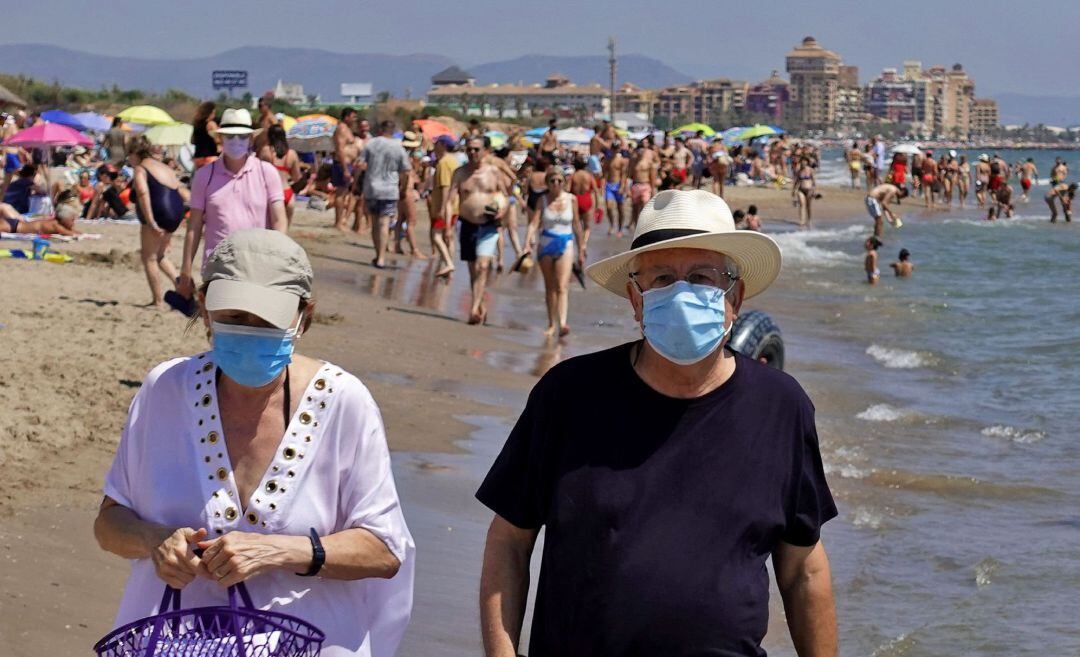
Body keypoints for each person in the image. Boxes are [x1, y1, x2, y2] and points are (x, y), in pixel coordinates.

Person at [477, 189, 837, 657]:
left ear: (736, 298)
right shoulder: (568, 396)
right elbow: (509, 542)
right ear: (635, 297)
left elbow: (803, 568)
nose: (682, 293)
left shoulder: (781, 407)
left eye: (703, 277)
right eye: (663, 278)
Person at [94, 229, 414, 657]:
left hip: (314, 644)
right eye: (235, 317)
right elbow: (109, 523)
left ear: (304, 316)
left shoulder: (344, 402)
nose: (250, 331)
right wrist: (156, 540)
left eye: (267, 320)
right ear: (206, 311)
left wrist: (283, 551)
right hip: (173, 644)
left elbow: (385, 550)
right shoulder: (164, 390)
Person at [178, 108, 287, 299]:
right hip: (218, 268)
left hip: (258, 267)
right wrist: (186, 270)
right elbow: (194, 225)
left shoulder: (266, 172)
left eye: (241, 136)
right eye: (230, 136)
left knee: (251, 326)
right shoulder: (205, 176)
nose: (236, 141)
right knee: (217, 326)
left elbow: (279, 220)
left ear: (251, 139)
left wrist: (276, 260)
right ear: (220, 139)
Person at [444, 136, 509, 325]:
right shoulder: (460, 173)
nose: (472, 153)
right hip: (467, 224)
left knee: (483, 266)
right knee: (473, 269)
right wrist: (448, 226)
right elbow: (449, 202)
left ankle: (473, 308)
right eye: (469, 149)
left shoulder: (494, 173)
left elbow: (505, 197)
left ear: (485, 151)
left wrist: (501, 211)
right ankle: (480, 306)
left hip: (488, 225)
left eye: (476, 149)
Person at [129, 136, 190, 309]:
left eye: (129, 155)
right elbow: (179, 190)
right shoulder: (163, 166)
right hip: (175, 213)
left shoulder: (141, 168)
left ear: (135, 153)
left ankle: (158, 301)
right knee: (160, 255)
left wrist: (151, 222)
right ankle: (181, 287)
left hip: (159, 213)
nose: (129, 160)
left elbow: (142, 193)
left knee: (148, 257)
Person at [536, 168, 586, 337]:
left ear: (564, 182)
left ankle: (563, 323)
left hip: (566, 242)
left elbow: (577, 225)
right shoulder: (542, 200)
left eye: (559, 180)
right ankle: (551, 324)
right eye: (552, 181)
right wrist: (527, 243)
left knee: (562, 286)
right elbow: (534, 224)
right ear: (547, 183)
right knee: (550, 287)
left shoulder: (572, 199)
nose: (556, 184)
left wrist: (582, 248)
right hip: (546, 244)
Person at [361, 120, 410, 269]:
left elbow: (361, 164)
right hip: (390, 189)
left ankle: (378, 255)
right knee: (384, 223)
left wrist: (357, 183)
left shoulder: (371, 143)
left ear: (381, 129)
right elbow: (406, 171)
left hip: (372, 187)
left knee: (375, 223)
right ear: (393, 130)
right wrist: (404, 188)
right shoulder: (398, 147)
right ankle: (382, 257)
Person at [258, 125, 303, 225]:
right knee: (284, 231)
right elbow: (297, 178)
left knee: (269, 229)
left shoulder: (265, 151)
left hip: (271, 193)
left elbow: (258, 174)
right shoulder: (292, 154)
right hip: (287, 192)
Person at [428, 135, 459, 277]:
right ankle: (448, 266)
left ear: (442, 145)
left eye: (436, 143)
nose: (434, 146)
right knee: (449, 237)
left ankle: (448, 263)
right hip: (454, 206)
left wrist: (442, 208)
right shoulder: (454, 161)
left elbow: (446, 187)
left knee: (436, 236)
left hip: (445, 206)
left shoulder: (444, 163)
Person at [1, 190, 81, 235]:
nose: (73, 222)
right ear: (63, 217)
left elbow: (71, 230)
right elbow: (69, 233)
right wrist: (81, 234)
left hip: (15, 225)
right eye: (72, 219)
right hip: (14, 227)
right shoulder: (55, 225)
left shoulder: (56, 223)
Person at [332, 108, 360, 231]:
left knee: (344, 194)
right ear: (347, 117)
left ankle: (340, 221)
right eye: (353, 117)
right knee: (340, 193)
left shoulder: (347, 129)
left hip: (347, 164)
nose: (355, 120)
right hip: (342, 164)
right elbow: (340, 149)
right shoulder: (342, 129)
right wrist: (345, 169)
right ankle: (338, 222)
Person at [568, 157, 598, 247]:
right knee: (587, 227)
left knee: (577, 226)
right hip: (587, 200)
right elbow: (596, 190)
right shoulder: (589, 175)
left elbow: (567, 189)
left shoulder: (573, 175)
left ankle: (578, 243)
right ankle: (584, 243)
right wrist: (597, 205)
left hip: (575, 201)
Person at [628, 143, 657, 231]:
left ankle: (644, 226)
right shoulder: (633, 162)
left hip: (646, 185)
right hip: (635, 185)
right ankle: (637, 226)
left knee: (645, 206)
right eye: (639, 150)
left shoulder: (649, 163)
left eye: (643, 150)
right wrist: (627, 188)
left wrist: (653, 190)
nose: (641, 152)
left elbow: (652, 178)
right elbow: (629, 175)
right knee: (635, 207)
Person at [603, 147, 628, 236]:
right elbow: (605, 173)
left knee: (620, 208)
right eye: (613, 148)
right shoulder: (607, 160)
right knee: (609, 207)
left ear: (618, 149)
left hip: (618, 185)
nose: (614, 150)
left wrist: (622, 186)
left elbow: (624, 174)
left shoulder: (621, 160)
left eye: (616, 148)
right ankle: (612, 225)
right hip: (609, 185)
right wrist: (603, 185)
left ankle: (620, 228)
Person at [191, 101, 221, 170]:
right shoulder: (210, 124)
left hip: (198, 157)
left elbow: (192, 141)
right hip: (209, 157)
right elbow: (217, 140)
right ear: (210, 113)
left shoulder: (196, 124)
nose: (214, 115)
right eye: (213, 113)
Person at [792, 157, 816, 227]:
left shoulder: (811, 170)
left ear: (807, 162)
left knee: (808, 206)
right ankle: (802, 221)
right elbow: (796, 181)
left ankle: (809, 220)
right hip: (800, 190)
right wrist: (793, 190)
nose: (803, 163)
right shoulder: (799, 171)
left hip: (809, 190)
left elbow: (814, 181)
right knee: (802, 204)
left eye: (805, 161)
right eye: (802, 161)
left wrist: (814, 190)